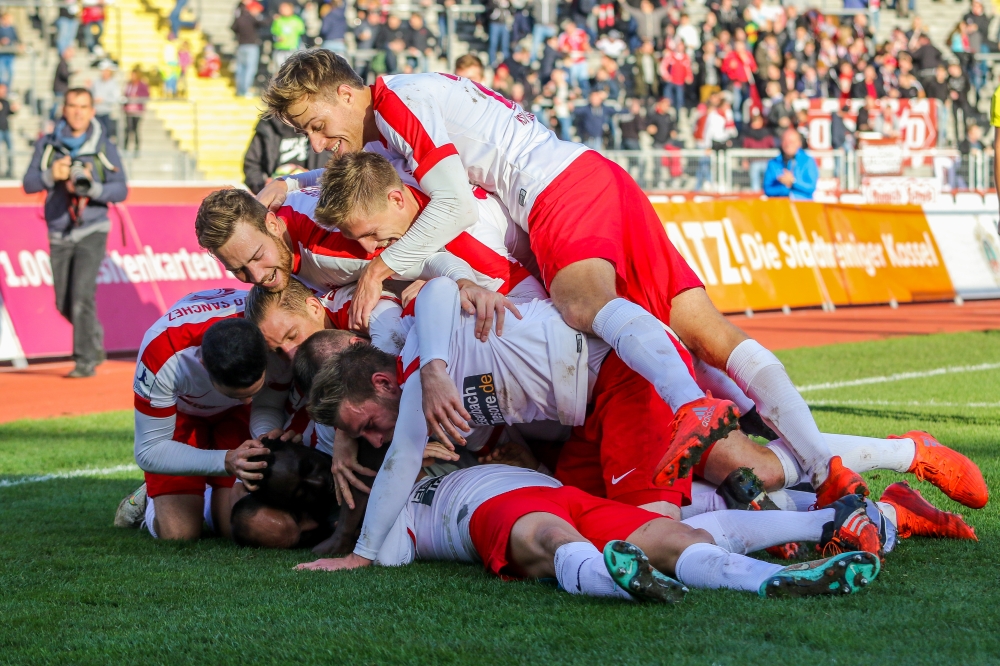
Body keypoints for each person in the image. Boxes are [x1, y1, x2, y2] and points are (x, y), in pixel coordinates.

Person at [256, 52, 871, 548]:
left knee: (584, 311)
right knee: (705, 335)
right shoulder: (394, 117)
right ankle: (831, 468)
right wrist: (293, 181)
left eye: (316, 125)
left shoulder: (398, 106)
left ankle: (702, 410)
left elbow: (454, 205)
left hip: (555, 194)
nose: (317, 140)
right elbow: (366, 178)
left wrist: (383, 267)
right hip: (586, 179)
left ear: (345, 93)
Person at [121, 303, 276, 541]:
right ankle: (150, 499)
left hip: (241, 416)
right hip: (181, 413)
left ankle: (204, 492)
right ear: (203, 365)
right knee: (179, 534)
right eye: (235, 394)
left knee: (236, 528)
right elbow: (149, 451)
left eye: (254, 391)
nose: (247, 400)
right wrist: (225, 460)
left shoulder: (273, 328)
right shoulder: (163, 350)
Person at [22, 88, 127, 378]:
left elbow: (121, 189)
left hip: (93, 228)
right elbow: (28, 183)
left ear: (92, 111)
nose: (78, 112)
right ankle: (93, 338)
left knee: (81, 296)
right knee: (62, 302)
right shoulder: (48, 145)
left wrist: (92, 188)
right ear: (64, 109)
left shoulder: (104, 146)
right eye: (72, 106)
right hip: (58, 230)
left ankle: (84, 359)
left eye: (83, 106)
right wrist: (51, 175)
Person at [243, 115, 334, 194]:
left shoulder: (320, 122)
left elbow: (335, 164)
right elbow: (251, 164)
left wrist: (316, 182)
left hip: (314, 194)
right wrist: (264, 187)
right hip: (276, 196)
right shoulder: (268, 125)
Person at [762, 128, 817, 200]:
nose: (788, 144)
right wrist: (785, 188)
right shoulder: (773, 163)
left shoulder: (808, 161)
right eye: (785, 141)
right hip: (780, 205)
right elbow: (767, 189)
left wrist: (793, 182)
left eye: (792, 141)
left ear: (799, 143)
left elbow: (811, 188)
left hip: (803, 204)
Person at [232, 0, 263, 98]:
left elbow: (233, 27)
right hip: (251, 46)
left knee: (240, 68)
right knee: (250, 69)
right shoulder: (252, 18)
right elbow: (263, 23)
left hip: (241, 45)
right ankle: (246, 90)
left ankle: (240, 90)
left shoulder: (239, 17)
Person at [270, 1, 305, 72]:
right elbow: (273, 34)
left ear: (290, 9)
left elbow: (302, 35)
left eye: (284, 8)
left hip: (293, 50)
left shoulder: (297, 21)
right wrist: (277, 38)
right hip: (280, 50)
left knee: (293, 70)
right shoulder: (278, 20)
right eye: (280, 8)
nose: (281, 10)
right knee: (279, 70)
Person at [122, 67, 149, 156]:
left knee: (136, 130)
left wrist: (138, 96)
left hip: (137, 111)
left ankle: (136, 148)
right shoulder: (129, 84)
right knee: (128, 129)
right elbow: (125, 94)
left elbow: (146, 95)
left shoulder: (142, 85)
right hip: (129, 110)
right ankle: (125, 147)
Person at [90, 62, 120, 141]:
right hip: (96, 111)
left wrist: (103, 100)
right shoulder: (96, 82)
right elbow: (92, 93)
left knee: (107, 132)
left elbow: (115, 98)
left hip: (106, 112)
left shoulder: (113, 83)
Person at [51, 47, 73, 121]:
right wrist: (72, 73)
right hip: (60, 89)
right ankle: (51, 120)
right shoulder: (62, 63)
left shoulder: (63, 63)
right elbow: (64, 74)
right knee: (57, 105)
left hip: (60, 88)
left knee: (58, 105)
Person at [0, 83, 16, 178]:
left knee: (10, 150)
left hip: (6, 129)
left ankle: (10, 170)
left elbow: (9, 113)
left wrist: (13, 110)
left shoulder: (6, 102)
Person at [0, 12, 20, 88]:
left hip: (10, 53)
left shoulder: (12, 29)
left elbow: (16, 38)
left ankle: (8, 88)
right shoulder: (1, 29)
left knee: (10, 72)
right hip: (2, 54)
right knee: (1, 72)